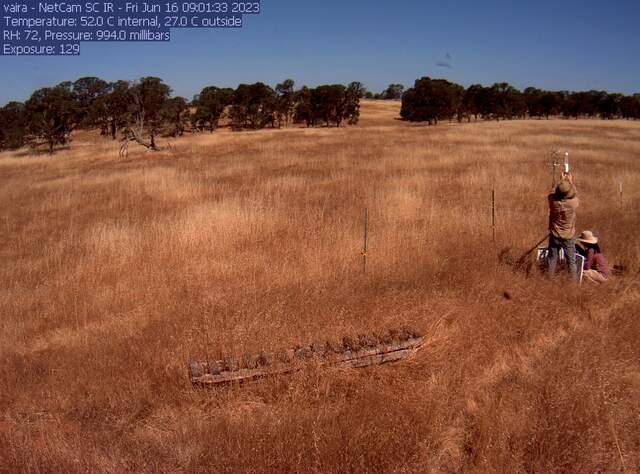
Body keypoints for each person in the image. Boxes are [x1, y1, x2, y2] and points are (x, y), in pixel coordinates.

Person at [547, 172, 579, 279]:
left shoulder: (553, 202)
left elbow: (551, 193)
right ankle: (573, 285)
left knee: (552, 260)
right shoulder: (573, 203)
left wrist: (560, 181)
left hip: (554, 235)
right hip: (568, 237)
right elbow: (575, 193)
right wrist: (570, 181)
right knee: (571, 262)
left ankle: (549, 281)